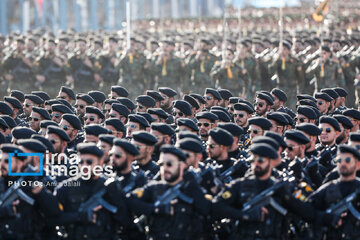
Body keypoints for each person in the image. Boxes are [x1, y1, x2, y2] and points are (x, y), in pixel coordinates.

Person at [128, 145, 211, 240]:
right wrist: (157, 209)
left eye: (169, 164)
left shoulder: (191, 189)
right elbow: (130, 201)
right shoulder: (154, 188)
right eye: (161, 164)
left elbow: (208, 210)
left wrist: (195, 188)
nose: (165, 168)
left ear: (182, 165)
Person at [309, 145, 360, 240]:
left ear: (358, 165)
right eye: (339, 160)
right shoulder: (329, 187)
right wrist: (326, 217)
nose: (343, 164)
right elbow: (308, 210)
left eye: (347, 160)